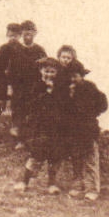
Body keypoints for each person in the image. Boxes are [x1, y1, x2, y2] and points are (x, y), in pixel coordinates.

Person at [14, 57, 72, 194]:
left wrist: (53, 92)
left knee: (54, 156)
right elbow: (29, 105)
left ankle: (51, 184)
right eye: (46, 71)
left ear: (56, 73)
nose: (49, 74)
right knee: (35, 155)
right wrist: (45, 93)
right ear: (41, 71)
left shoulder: (61, 88)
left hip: (55, 128)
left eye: (52, 72)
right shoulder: (35, 86)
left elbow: (64, 106)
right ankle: (24, 181)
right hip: (39, 127)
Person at [67, 66, 109, 200]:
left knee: (90, 159)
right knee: (76, 159)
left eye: (75, 76)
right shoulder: (66, 89)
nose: (72, 79)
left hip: (88, 129)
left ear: (82, 76)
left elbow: (103, 103)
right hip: (73, 129)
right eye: (70, 76)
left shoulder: (90, 88)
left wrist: (92, 114)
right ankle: (78, 186)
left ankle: (92, 189)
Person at [9, 20, 47, 145]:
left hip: (34, 86)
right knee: (18, 110)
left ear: (35, 34)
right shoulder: (16, 49)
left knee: (30, 111)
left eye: (30, 34)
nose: (27, 37)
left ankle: (27, 138)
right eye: (25, 34)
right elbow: (10, 69)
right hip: (18, 86)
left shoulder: (40, 50)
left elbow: (46, 68)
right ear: (21, 34)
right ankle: (18, 138)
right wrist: (10, 86)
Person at [0, 23, 24, 138]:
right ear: (7, 35)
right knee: (0, 103)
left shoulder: (21, 49)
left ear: (20, 35)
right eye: (10, 36)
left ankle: (14, 126)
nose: (12, 38)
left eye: (15, 36)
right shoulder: (4, 48)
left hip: (17, 81)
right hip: (3, 81)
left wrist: (15, 82)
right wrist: (5, 82)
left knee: (17, 104)